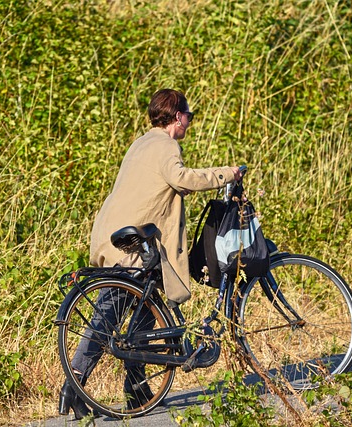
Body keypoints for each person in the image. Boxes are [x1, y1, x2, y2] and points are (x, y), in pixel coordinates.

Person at [58, 88, 243, 419]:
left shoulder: (142, 142)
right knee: (108, 317)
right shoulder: (166, 145)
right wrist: (227, 174)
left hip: (123, 238)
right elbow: (181, 178)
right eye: (189, 116)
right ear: (177, 117)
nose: (190, 122)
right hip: (126, 246)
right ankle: (72, 387)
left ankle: (137, 390)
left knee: (146, 312)